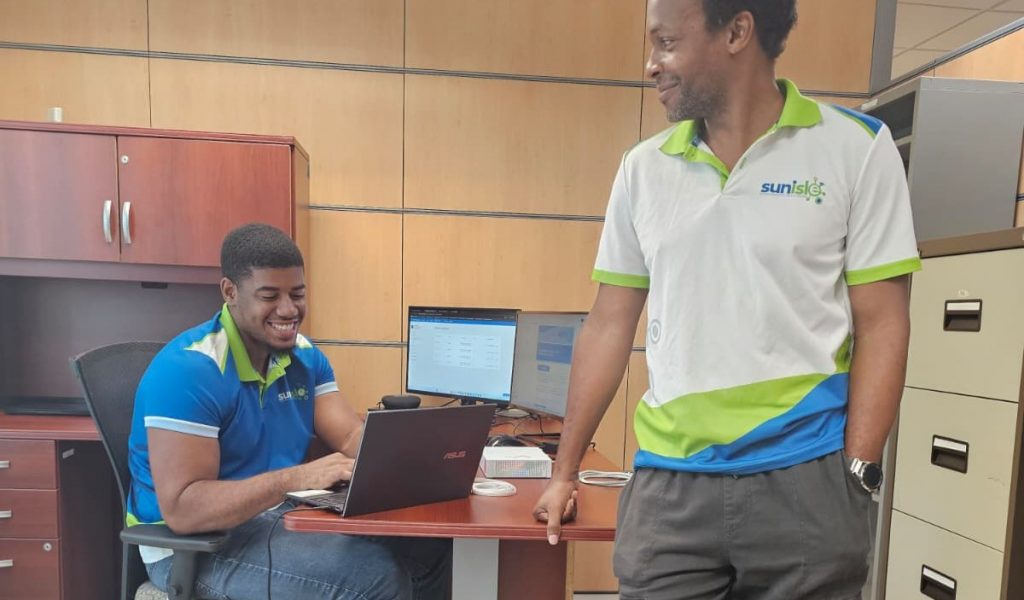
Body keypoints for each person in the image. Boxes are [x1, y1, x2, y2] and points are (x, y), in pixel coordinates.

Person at [533, 1, 920, 598]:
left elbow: (884, 324)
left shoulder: (857, 148)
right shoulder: (643, 169)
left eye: (666, 43)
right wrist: (565, 471)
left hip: (806, 478)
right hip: (670, 486)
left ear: (737, 31)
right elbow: (608, 325)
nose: (651, 64)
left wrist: (858, 473)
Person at [127, 223, 451, 599]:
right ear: (230, 292)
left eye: (297, 294)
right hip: (196, 549)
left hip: (277, 518)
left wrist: (424, 459)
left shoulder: (304, 356)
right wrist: (296, 478)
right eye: (270, 296)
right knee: (374, 578)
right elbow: (185, 510)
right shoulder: (189, 371)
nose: (288, 309)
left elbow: (349, 435)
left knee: (429, 549)